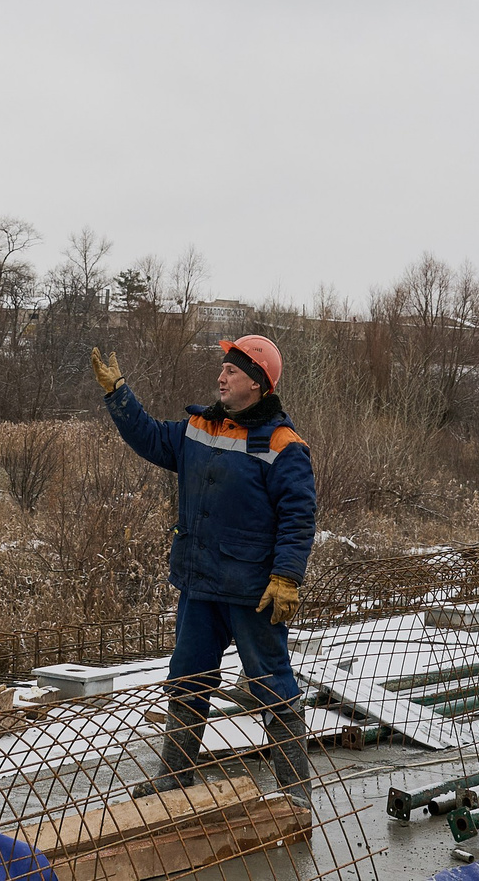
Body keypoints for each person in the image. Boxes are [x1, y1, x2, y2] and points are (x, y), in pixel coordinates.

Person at [89, 334, 317, 815]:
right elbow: (150, 437)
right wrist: (119, 395)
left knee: (270, 683)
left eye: (231, 371)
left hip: (253, 592)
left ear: (256, 383)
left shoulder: (282, 445)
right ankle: (174, 779)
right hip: (200, 585)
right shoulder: (198, 428)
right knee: (187, 679)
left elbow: (299, 516)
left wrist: (287, 577)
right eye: (222, 369)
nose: (221, 376)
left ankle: (296, 790)